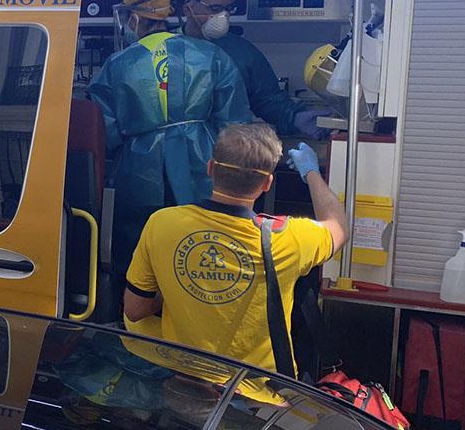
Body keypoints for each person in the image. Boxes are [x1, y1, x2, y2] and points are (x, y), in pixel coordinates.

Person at [123, 122, 349, 375]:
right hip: (257, 393)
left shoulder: (162, 223)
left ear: (210, 168)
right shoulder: (289, 238)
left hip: (184, 381)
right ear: (267, 183)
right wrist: (311, 173)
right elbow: (338, 227)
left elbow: (134, 310)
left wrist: (176, 292)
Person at [87, 0, 252, 286]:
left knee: (141, 256)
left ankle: (138, 310)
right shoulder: (212, 56)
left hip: (139, 176)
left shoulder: (118, 64)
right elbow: (234, 128)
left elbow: (104, 133)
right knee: (199, 254)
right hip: (202, 171)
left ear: (133, 18)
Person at [181, 0, 328, 139]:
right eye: (215, 8)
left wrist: (295, 117)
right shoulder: (167, 48)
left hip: (228, 146)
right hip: (172, 145)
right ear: (189, 9)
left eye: (228, 9)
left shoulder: (242, 52)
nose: (223, 16)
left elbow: (268, 99)